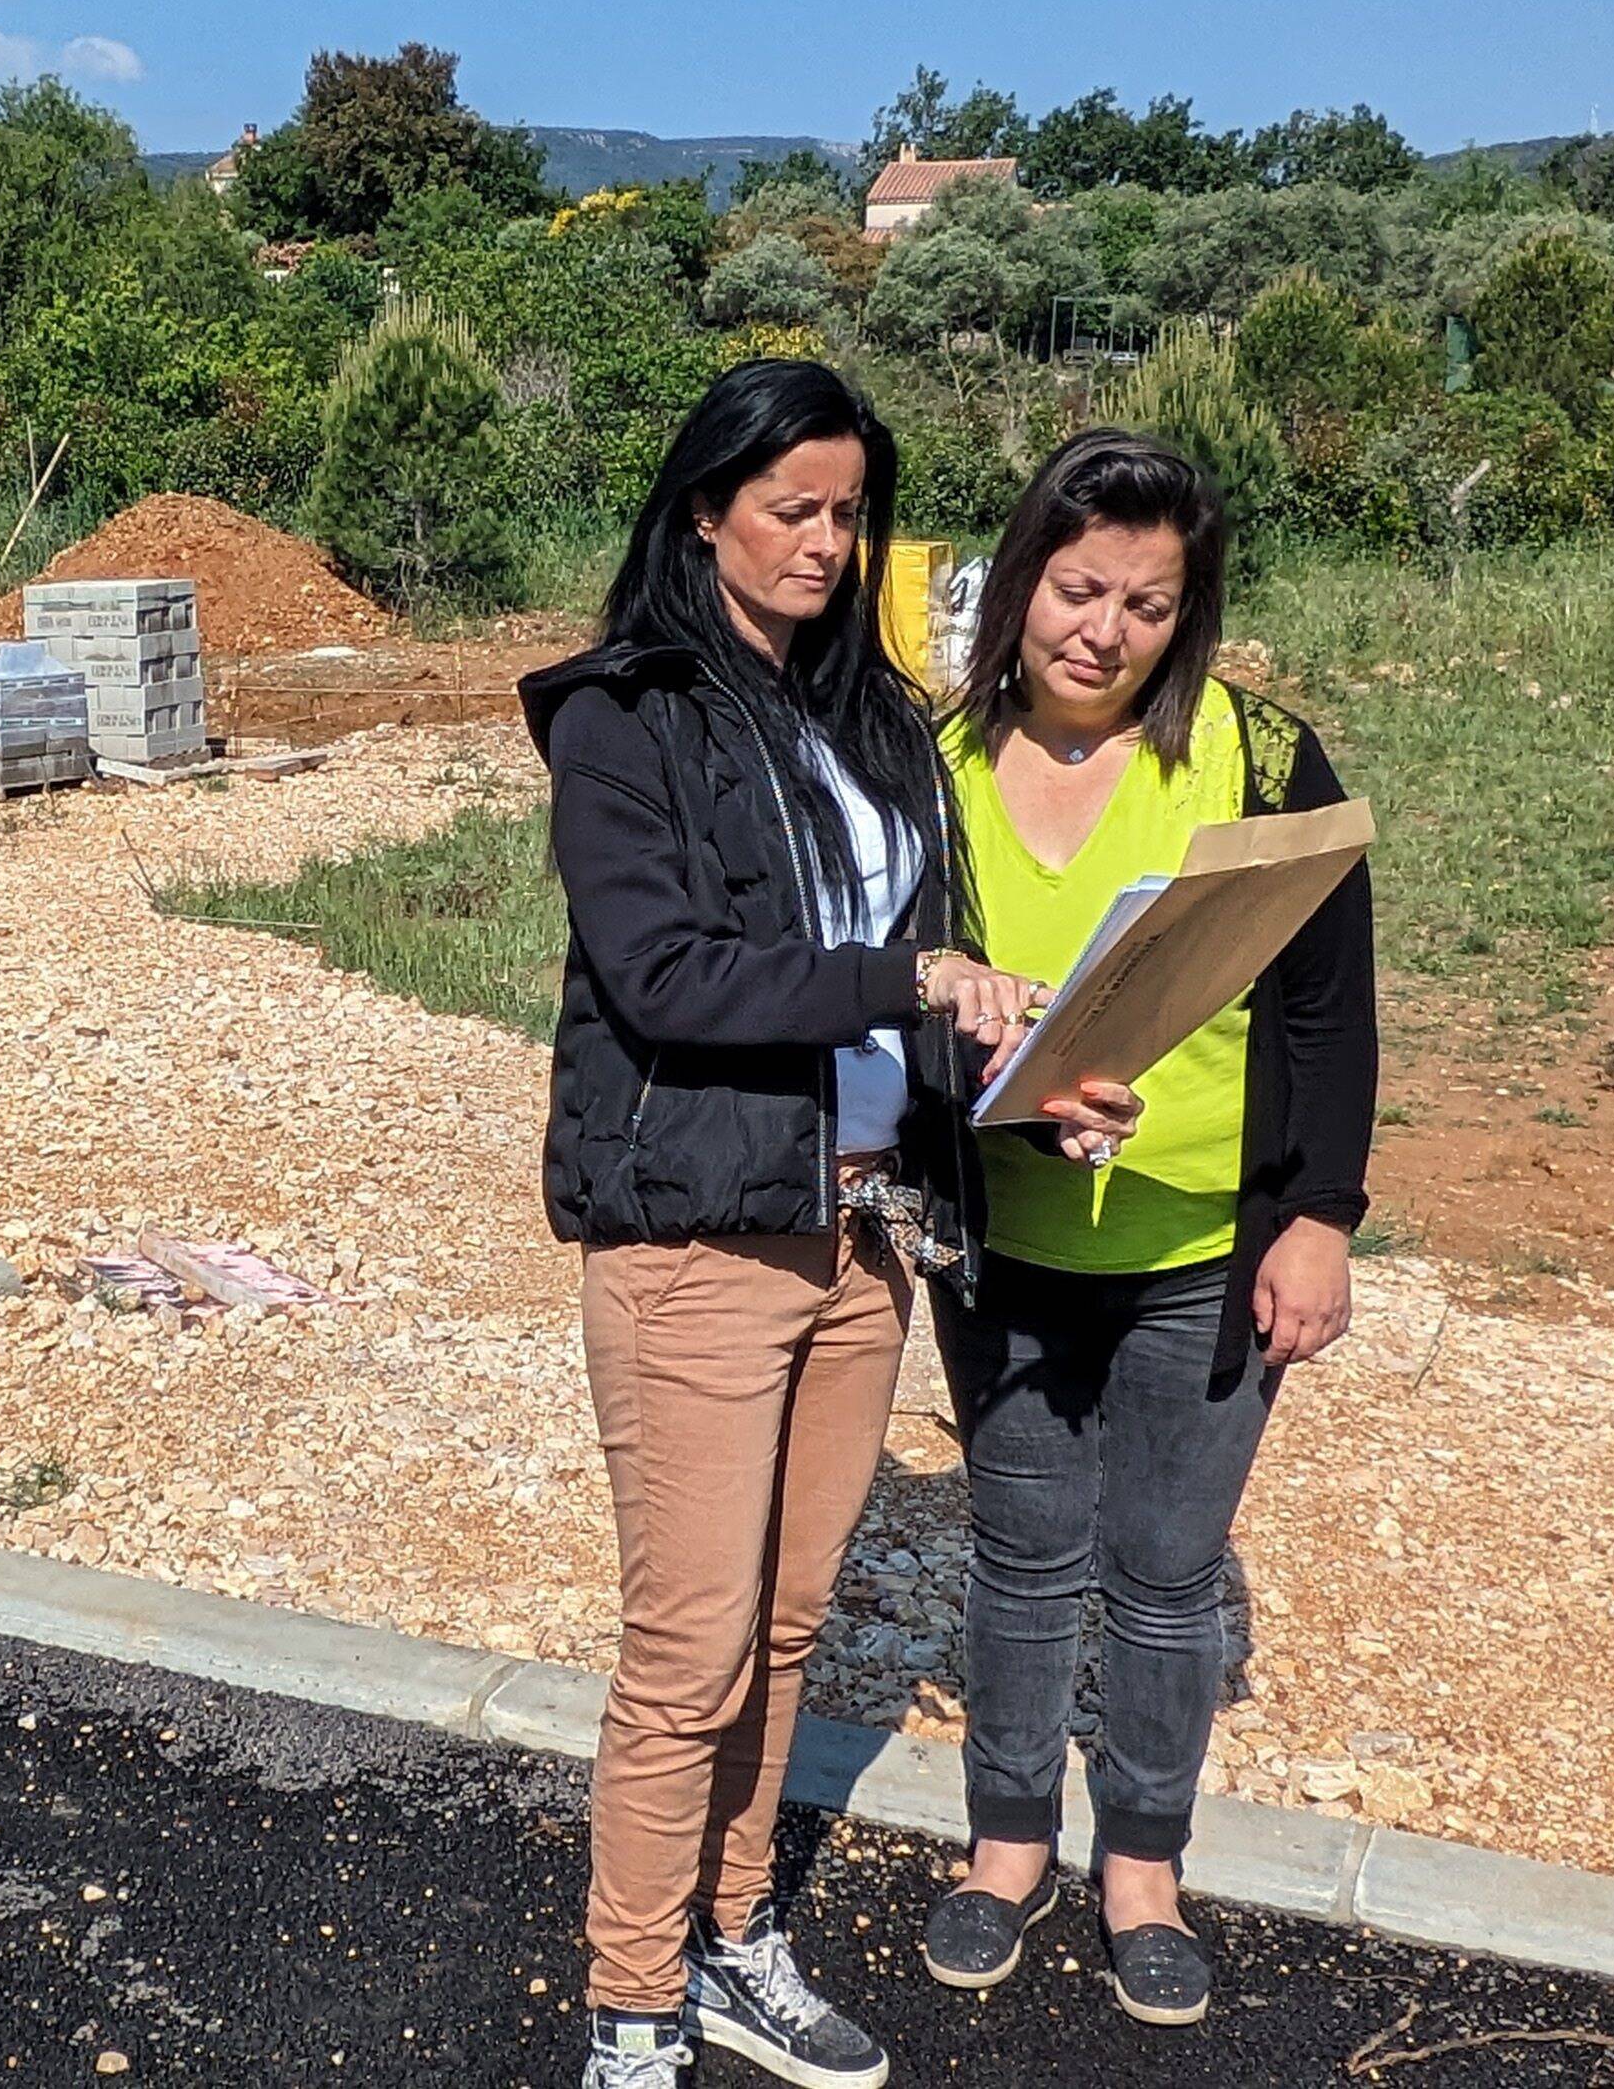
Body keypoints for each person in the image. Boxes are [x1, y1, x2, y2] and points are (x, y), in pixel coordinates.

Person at [521, 361, 1136, 2089]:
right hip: (699, 1243)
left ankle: (734, 1938)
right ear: (702, 507)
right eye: (790, 506)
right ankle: (629, 2001)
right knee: (688, 1645)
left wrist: (1028, 1071)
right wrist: (910, 972)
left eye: (848, 508)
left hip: (863, 1240)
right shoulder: (622, 714)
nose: (824, 539)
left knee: (787, 1630)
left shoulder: (871, 722)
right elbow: (665, 975)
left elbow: (919, 994)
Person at [911, 429, 1378, 2027]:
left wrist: (1316, 1219)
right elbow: (891, 1001)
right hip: (1010, 1248)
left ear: (1193, 614)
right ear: (1022, 578)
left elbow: (1327, 1009)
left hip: (1203, 1248)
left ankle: (1145, 1866)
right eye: (1079, 587)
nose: (1105, 631)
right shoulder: (932, 763)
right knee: (1026, 1556)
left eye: (1151, 604)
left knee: (1169, 1573)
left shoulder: (1256, 763)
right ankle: (1006, 1844)